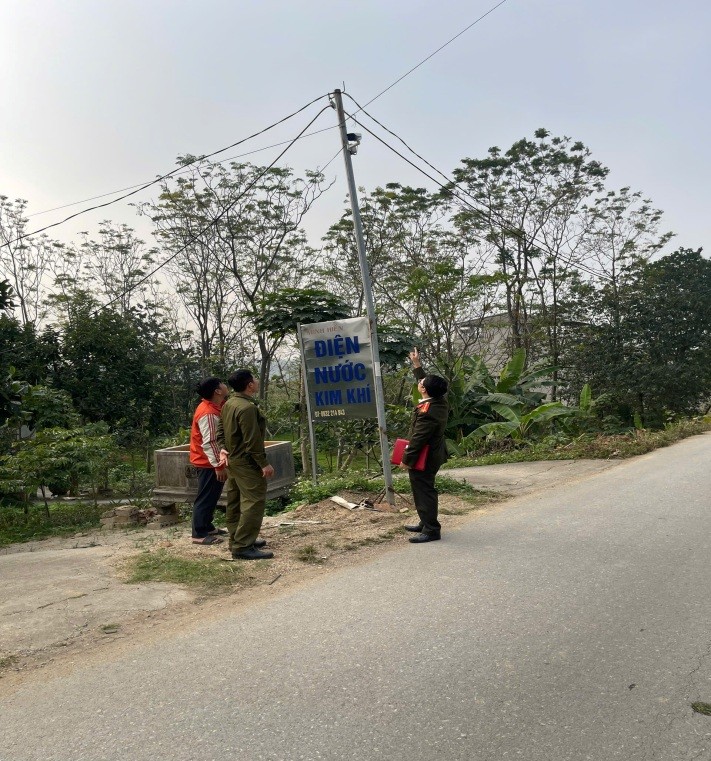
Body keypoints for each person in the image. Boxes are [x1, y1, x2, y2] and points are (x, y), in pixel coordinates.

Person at [217, 370, 275, 560]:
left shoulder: (229, 403)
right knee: (254, 501)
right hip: (246, 462)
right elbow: (252, 441)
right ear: (250, 385)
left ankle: (237, 538)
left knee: (234, 501)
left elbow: (220, 429)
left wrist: (223, 447)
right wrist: (264, 464)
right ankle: (242, 546)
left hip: (232, 460)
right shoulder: (246, 408)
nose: (257, 381)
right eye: (254, 379)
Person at [399, 348, 449, 543]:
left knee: (424, 490)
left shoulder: (428, 412)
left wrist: (406, 460)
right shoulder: (439, 400)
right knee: (422, 489)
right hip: (434, 453)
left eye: (421, 383)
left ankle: (431, 530)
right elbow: (427, 383)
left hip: (425, 456)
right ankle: (425, 522)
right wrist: (417, 365)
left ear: (424, 390)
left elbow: (418, 438)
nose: (420, 382)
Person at [189, 377, 230, 545]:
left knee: (212, 495)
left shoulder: (214, 406)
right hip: (207, 462)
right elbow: (211, 442)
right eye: (222, 383)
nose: (225, 385)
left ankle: (207, 526)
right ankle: (199, 533)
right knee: (206, 497)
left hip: (209, 461)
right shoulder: (208, 413)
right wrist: (219, 466)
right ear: (217, 391)